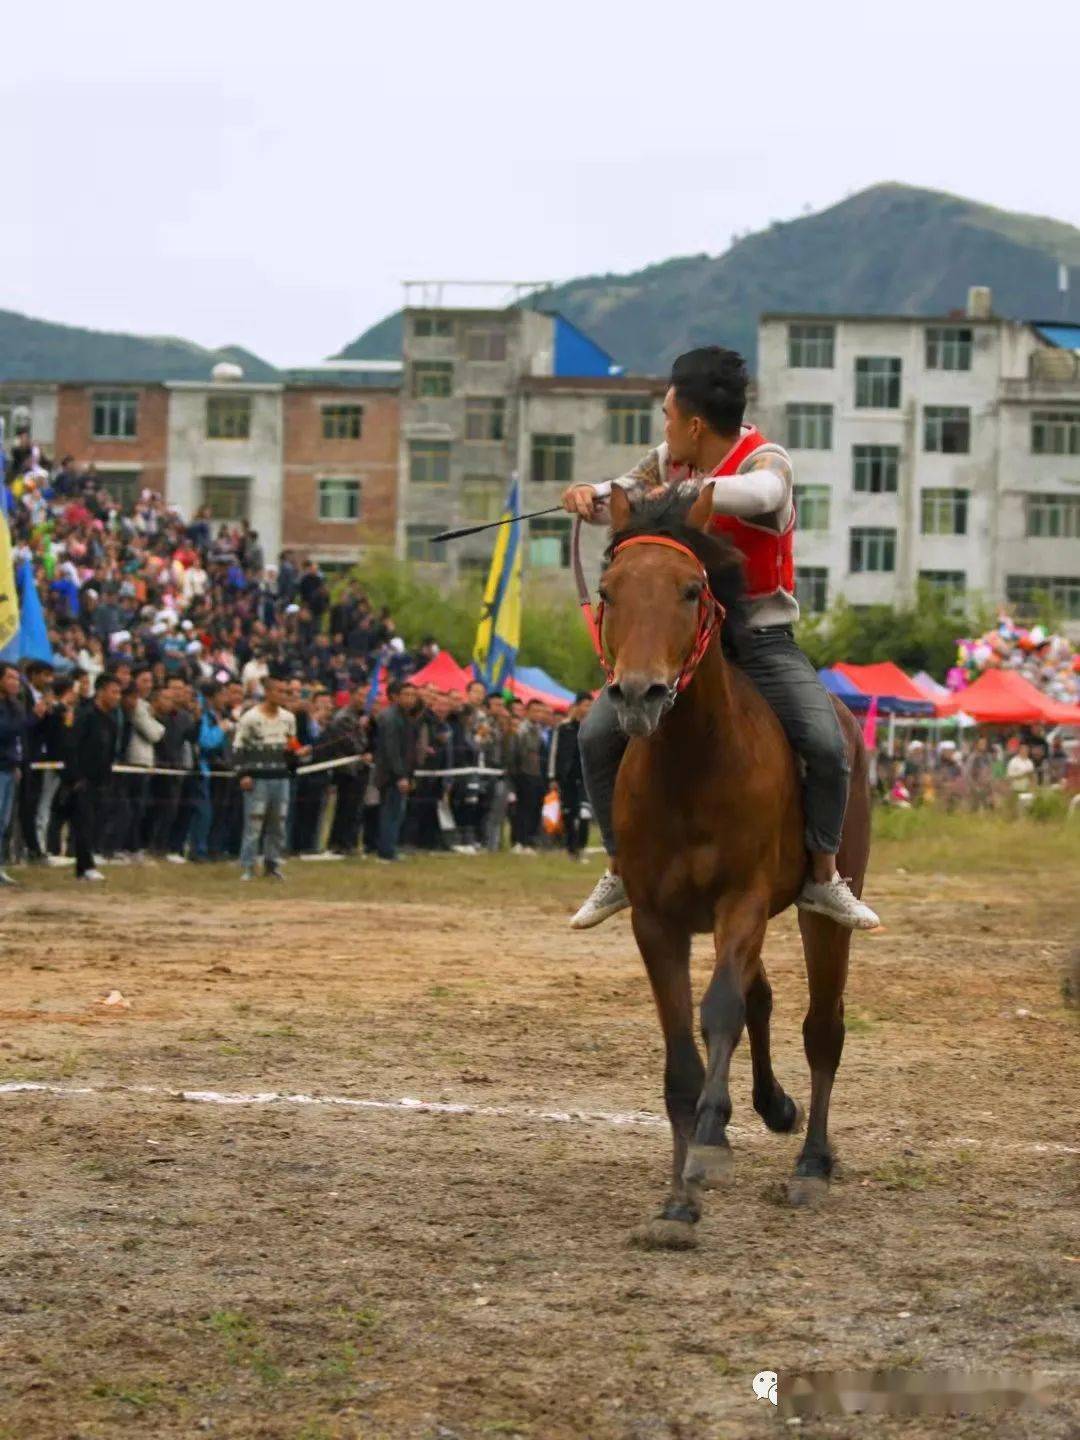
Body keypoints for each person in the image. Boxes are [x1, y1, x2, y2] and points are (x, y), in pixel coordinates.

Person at [561, 345, 879, 930]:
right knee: (595, 738)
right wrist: (589, 493)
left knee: (828, 743)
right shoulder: (665, 462)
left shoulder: (768, 461)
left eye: (667, 415)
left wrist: (685, 494)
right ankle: (620, 866)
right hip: (684, 644)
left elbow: (762, 496)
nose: (665, 428)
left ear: (694, 423)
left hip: (761, 641)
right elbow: (624, 493)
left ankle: (823, 875)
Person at [234, 673, 304, 881]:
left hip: (280, 777)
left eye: (286, 692)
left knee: (278, 823)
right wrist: (243, 773)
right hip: (258, 778)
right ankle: (247, 865)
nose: (283, 695)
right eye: (279, 691)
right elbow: (238, 747)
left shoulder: (288, 718)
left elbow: (291, 745)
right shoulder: (251, 718)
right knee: (254, 822)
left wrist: (298, 754)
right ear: (268, 692)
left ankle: (272, 863)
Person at [63, 673, 123, 881]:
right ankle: (84, 866)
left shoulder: (112, 721)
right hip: (82, 780)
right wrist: (76, 777)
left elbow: (109, 752)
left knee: (95, 822)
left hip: (101, 781)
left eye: (119, 692)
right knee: (83, 823)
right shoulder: (85, 715)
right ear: (101, 691)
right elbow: (71, 746)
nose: (117, 697)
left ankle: (89, 863)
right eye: (114, 692)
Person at [373, 680, 419, 862]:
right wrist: (400, 775)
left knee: (396, 812)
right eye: (406, 695)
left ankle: (389, 847)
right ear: (396, 697)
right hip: (390, 774)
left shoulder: (405, 716)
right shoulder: (390, 717)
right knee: (391, 812)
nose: (410, 699)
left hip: (400, 772)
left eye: (413, 695)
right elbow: (391, 750)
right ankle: (386, 851)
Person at [550, 693, 593, 861]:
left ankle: (581, 847)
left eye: (590, 705)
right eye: (585, 705)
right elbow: (555, 752)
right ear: (576, 706)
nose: (587, 709)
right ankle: (571, 849)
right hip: (567, 777)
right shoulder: (563, 727)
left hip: (586, 777)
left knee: (584, 813)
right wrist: (552, 777)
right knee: (569, 813)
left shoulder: (593, 727)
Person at [0, 663, 27, 885]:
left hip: (9, 767)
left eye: (17, 679)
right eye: (10, 678)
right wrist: (28, 719)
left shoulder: (15, 706)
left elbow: (17, 738)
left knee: (4, 821)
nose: (15, 683)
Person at [509, 698, 547, 854]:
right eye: (535, 711)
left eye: (540, 711)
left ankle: (530, 840)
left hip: (537, 774)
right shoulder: (521, 731)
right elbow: (514, 754)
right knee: (523, 809)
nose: (538, 714)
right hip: (524, 773)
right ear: (527, 712)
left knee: (535, 808)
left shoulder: (539, 730)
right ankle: (520, 841)